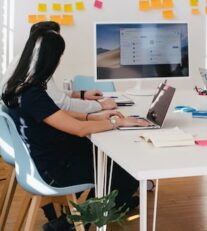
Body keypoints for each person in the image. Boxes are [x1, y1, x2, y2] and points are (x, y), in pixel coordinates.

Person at [1, 29, 150, 230]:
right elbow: (79, 129)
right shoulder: (32, 94)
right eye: (59, 57)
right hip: (53, 170)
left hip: (47, 158)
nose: (60, 61)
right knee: (126, 173)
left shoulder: (19, 87)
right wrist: (118, 123)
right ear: (50, 58)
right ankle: (74, 223)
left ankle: (79, 217)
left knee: (110, 163)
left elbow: (58, 115)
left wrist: (94, 117)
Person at [0, 21, 116, 113]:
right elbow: (62, 104)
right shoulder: (36, 66)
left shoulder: (22, 59)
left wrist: (81, 94)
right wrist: (100, 105)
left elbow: (50, 95)